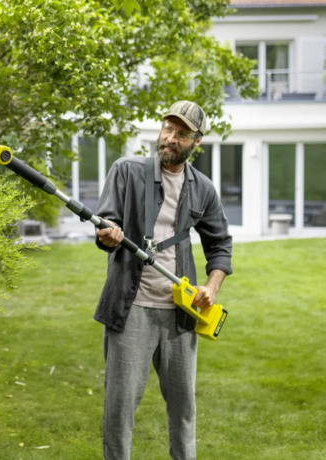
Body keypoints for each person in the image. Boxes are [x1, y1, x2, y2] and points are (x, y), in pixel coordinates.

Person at [94, 101, 233, 460]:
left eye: (181, 134)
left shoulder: (203, 189)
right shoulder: (127, 171)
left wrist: (212, 286)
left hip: (180, 314)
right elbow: (105, 225)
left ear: (197, 141)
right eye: (168, 129)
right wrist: (108, 234)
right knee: (120, 408)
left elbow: (220, 244)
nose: (171, 138)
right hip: (131, 310)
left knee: (183, 409)